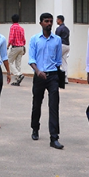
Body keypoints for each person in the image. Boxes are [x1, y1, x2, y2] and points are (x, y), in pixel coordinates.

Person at [28, 12, 64, 149]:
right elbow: (31, 59)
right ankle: (35, 128)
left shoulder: (57, 40)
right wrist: (38, 71)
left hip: (53, 76)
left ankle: (54, 138)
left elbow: (59, 60)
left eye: (50, 21)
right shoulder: (35, 39)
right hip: (39, 76)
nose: (49, 24)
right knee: (37, 103)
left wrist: (54, 72)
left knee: (54, 106)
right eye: (46, 21)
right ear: (41, 23)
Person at [7, 14, 26, 86]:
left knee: (9, 61)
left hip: (15, 47)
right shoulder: (21, 28)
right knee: (18, 63)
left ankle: (19, 74)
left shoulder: (12, 27)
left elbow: (11, 38)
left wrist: (8, 46)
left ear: (12, 20)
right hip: (21, 47)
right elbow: (24, 39)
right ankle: (18, 80)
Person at [55, 15, 70, 84]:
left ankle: (56, 77)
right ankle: (65, 78)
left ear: (60, 20)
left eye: (57, 19)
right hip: (67, 46)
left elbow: (56, 39)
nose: (56, 21)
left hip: (61, 45)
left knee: (56, 60)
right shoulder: (66, 28)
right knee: (64, 62)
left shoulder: (59, 29)